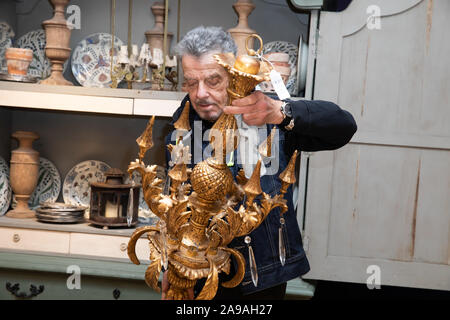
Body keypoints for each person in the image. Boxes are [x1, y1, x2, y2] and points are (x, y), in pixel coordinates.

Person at [162, 26, 357, 300]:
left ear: (231, 72)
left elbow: (343, 126)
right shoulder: (180, 127)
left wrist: (282, 112)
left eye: (212, 80)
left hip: (262, 274)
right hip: (198, 271)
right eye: (192, 82)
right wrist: (170, 267)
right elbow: (174, 205)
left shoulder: (269, 111)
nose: (201, 94)